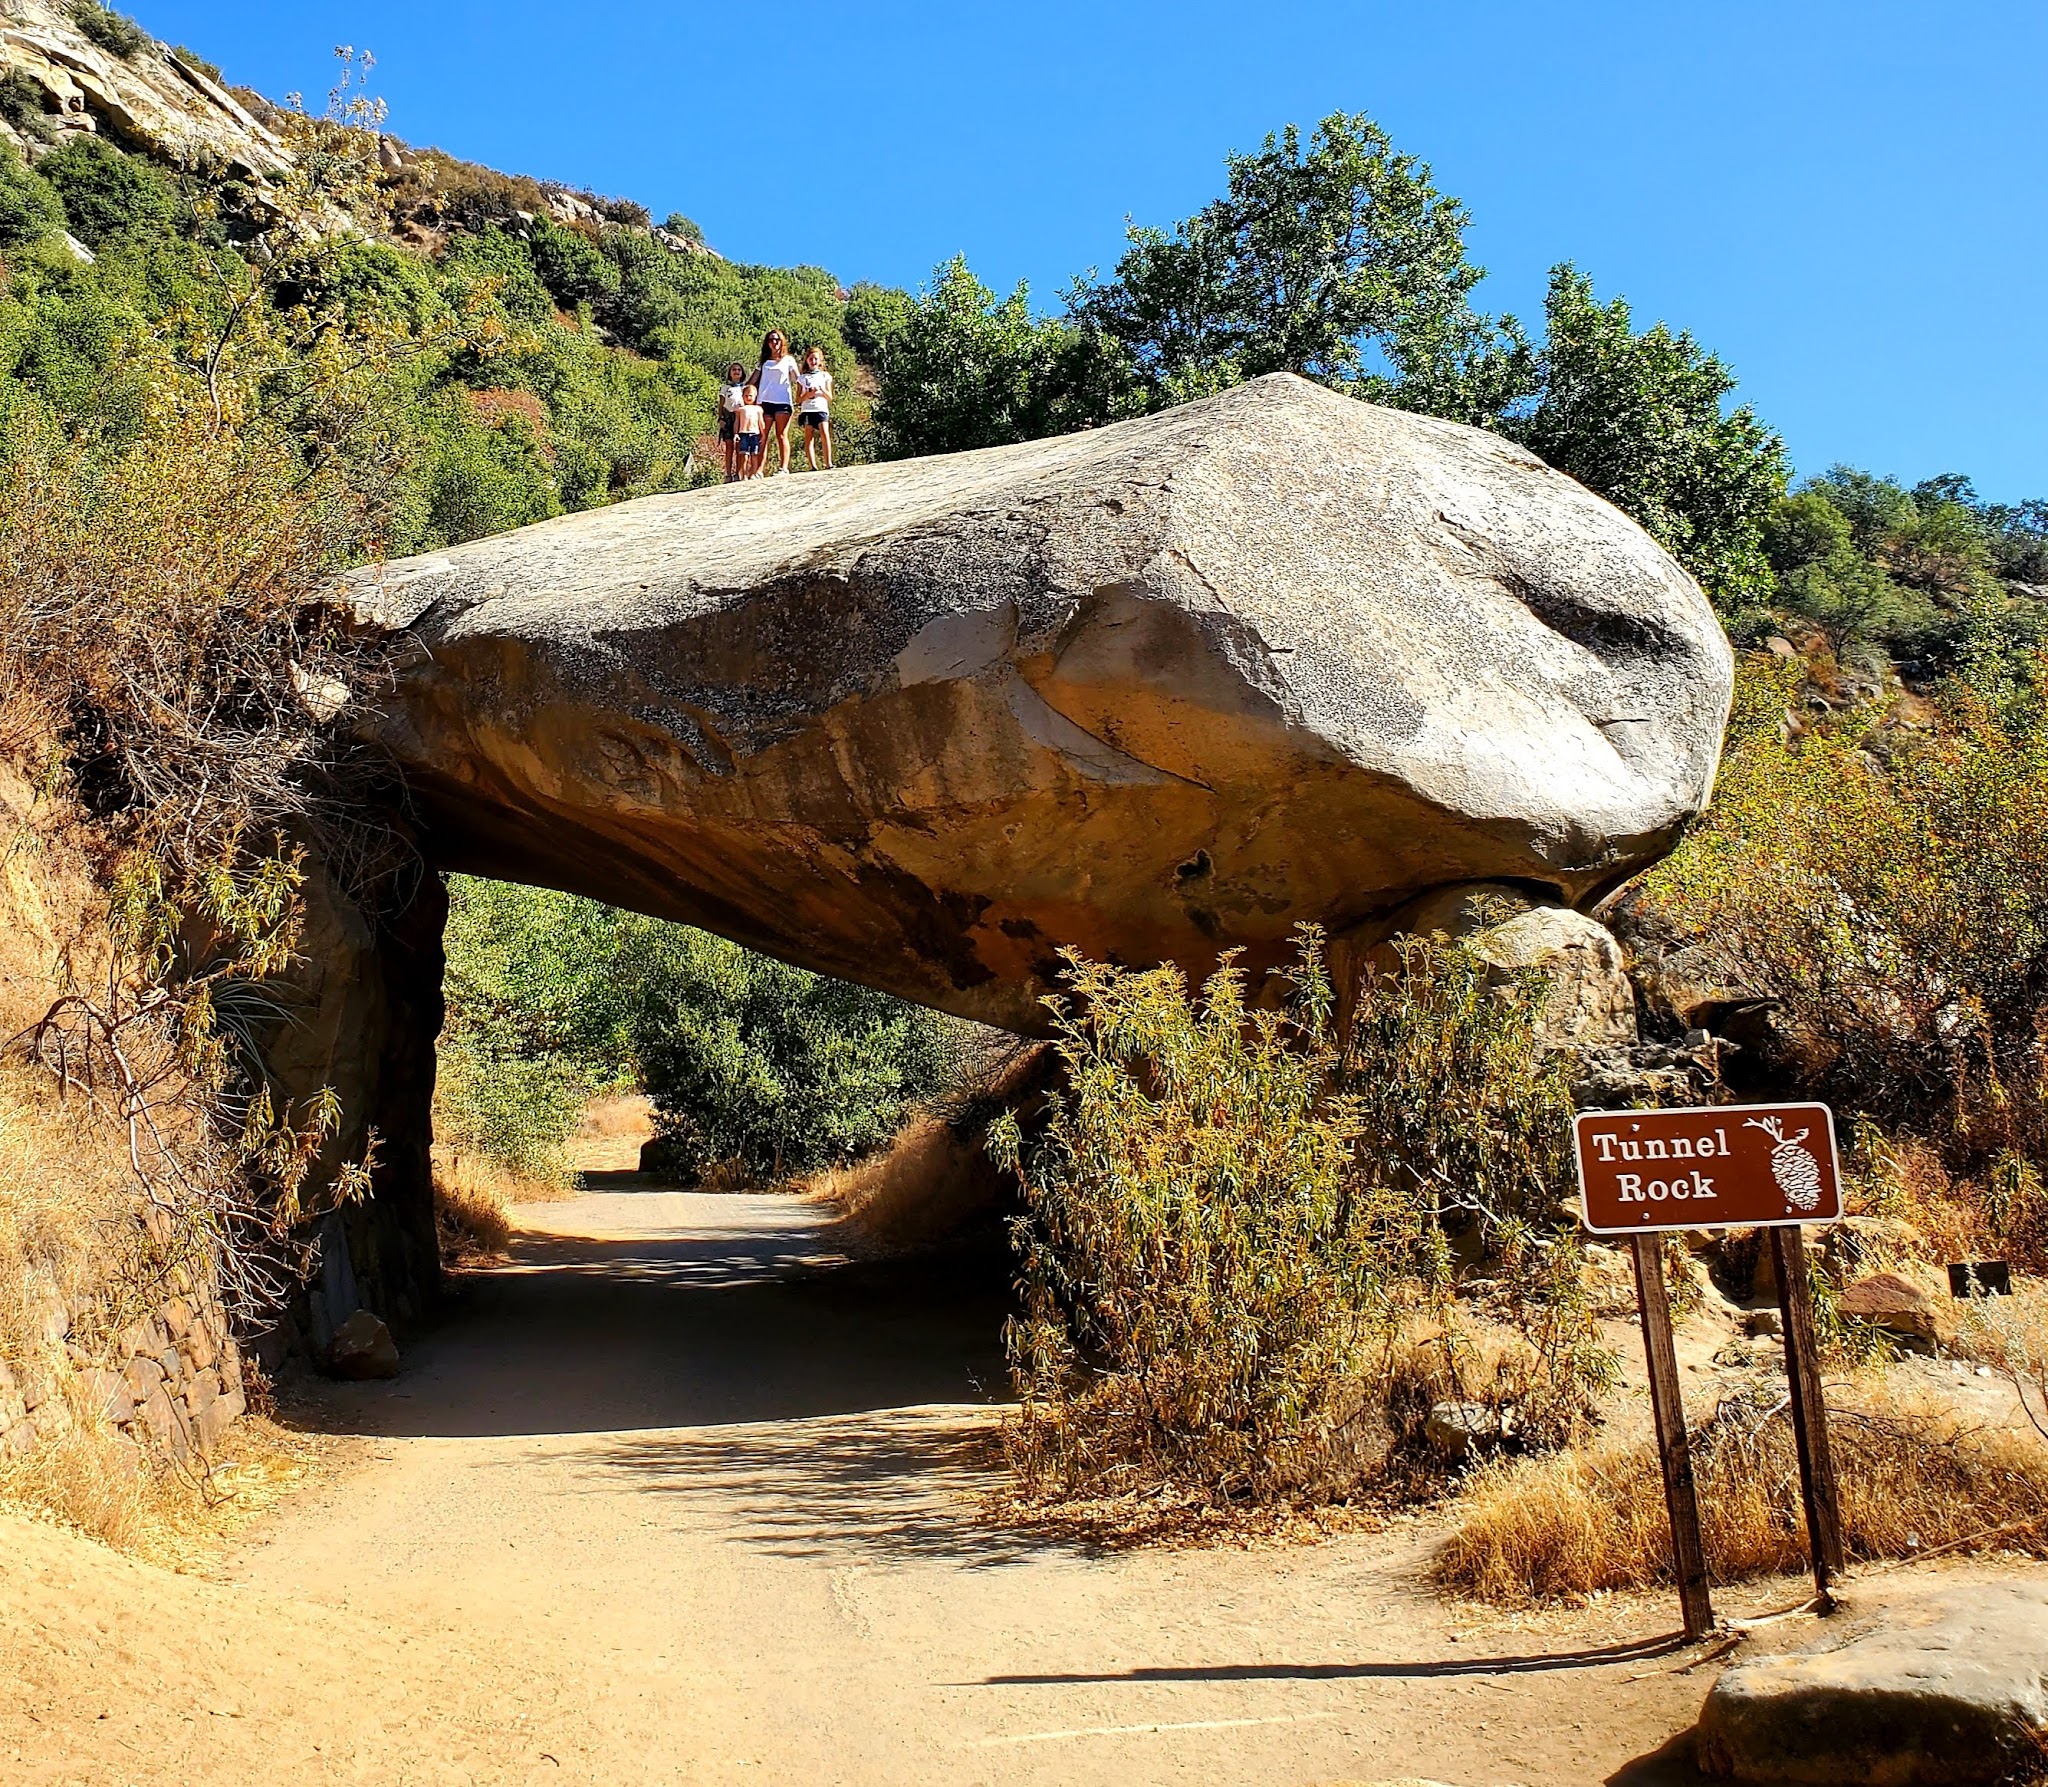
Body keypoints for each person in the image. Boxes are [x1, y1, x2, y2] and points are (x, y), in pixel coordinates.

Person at [752, 329, 800, 475]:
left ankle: (783, 468)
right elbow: (753, 380)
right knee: (762, 435)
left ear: (782, 341)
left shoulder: (789, 360)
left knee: (781, 434)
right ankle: (759, 470)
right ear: (767, 343)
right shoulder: (764, 361)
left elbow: (798, 379)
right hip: (764, 402)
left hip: (782, 401)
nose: (774, 342)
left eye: (777, 339)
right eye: (771, 340)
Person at [795, 345, 834, 471]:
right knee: (809, 436)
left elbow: (829, 396)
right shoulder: (802, 378)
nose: (813, 361)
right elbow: (798, 399)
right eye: (811, 359)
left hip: (821, 408)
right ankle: (813, 465)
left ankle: (828, 463)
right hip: (807, 410)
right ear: (807, 360)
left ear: (820, 361)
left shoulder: (825, 376)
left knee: (824, 433)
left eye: (816, 359)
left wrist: (821, 390)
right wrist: (808, 394)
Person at [717, 361, 748, 482]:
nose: (736, 371)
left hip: (740, 417)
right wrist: (720, 418)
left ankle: (739, 473)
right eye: (734, 369)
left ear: (742, 373)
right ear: (730, 373)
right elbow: (720, 404)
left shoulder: (745, 388)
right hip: (728, 417)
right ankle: (728, 473)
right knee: (729, 446)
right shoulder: (725, 388)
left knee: (740, 446)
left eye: (739, 370)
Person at [732, 384, 765, 480]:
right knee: (744, 455)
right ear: (742, 396)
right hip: (743, 434)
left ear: (755, 397)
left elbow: (761, 422)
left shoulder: (758, 409)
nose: (748, 397)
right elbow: (736, 422)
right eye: (746, 395)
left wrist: (763, 434)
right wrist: (736, 434)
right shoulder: (740, 409)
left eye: (751, 395)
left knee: (754, 455)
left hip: (755, 434)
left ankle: (753, 474)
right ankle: (744, 475)